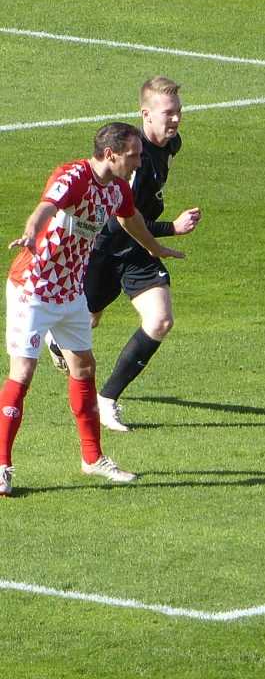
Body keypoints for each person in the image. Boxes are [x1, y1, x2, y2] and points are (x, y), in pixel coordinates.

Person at [4, 123, 181, 493]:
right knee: (22, 373)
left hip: (71, 293)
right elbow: (45, 207)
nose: (138, 162)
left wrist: (155, 248)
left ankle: (92, 459)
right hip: (33, 287)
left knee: (84, 367)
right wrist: (30, 232)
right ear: (111, 154)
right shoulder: (73, 177)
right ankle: (2, 464)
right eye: (133, 155)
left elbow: (131, 219)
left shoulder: (118, 188)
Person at [50, 76, 200, 432]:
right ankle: (57, 341)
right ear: (145, 114)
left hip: (137, 250)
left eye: (178, 111)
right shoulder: (134, 162)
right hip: (105, 249)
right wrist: (172, 227)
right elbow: (121, 222)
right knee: (89, 319)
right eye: (168, 113)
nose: (175, 119)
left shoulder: (171, 143)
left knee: (160, 321)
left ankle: (107, 400)